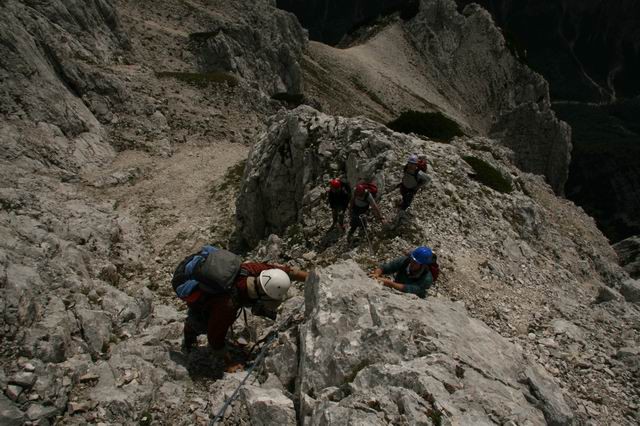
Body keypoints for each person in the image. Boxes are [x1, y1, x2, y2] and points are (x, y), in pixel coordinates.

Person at [181, 253, 308, 371]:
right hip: (201, 295)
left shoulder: (253, 270)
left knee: (257, 303)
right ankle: (189, 333)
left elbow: (286, 271)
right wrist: (229, 363)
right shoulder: (227, 307)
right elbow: (215, 338)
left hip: (235, 292)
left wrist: (311, 276)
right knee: (201, 323)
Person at [369, 246, 434, 298]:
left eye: (415, 263)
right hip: (394, 292)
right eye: (412, 260)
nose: (412, 263)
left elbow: (411, 289)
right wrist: (376, 274)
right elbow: (386, 267)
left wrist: (389, 283)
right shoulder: (405, 261)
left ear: (423, 265)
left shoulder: (427, 278)